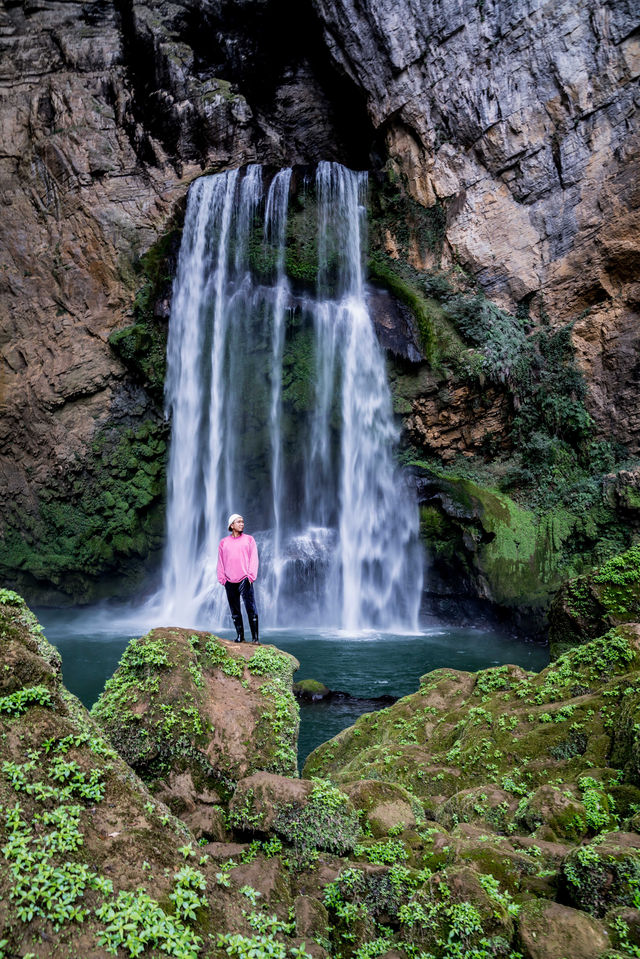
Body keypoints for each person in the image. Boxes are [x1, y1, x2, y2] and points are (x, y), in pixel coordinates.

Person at [217, 513, 259, 644]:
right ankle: (240, 636)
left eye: (242, 521)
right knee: (235, 610)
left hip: (245, 579)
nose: (242, 523)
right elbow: (220, 562)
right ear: (231, 525)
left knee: (250, 608)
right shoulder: (223, 542)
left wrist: (251, 577)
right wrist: (222, 579)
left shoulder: (249, 539)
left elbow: (254, 559)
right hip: (229, 581)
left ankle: (255, 639)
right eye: (238, 522)